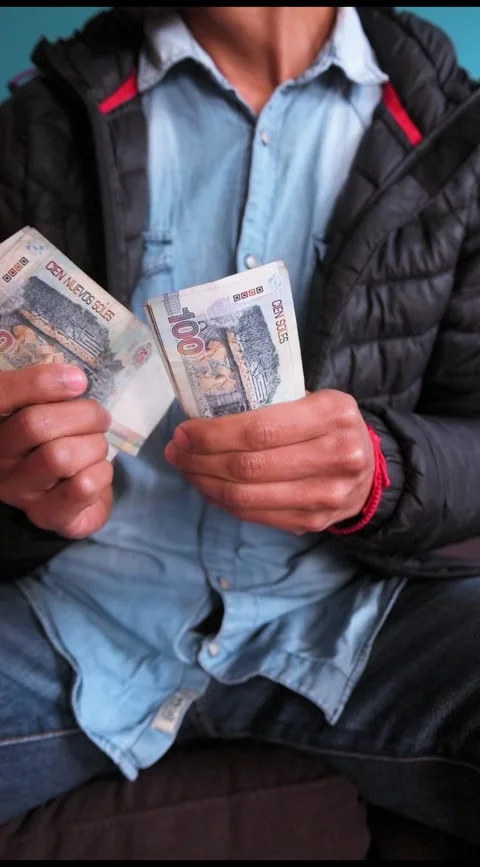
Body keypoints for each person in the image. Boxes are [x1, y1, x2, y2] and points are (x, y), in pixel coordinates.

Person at [1, 4, 480, 844]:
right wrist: (13, 488)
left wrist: (383, 471)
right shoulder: (39, 120)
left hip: (356, 618)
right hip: (69, 623)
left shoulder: (456, 134)